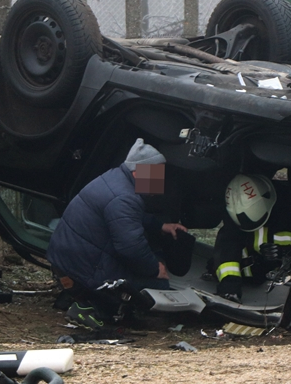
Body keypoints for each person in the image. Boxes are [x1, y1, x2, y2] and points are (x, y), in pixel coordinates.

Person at [47, 138, 188, 328]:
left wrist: (161, 226)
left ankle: (83, 295)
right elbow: (131, 248)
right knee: (160, 287)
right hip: (81, 267)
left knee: (150, 256)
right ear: (138, 171)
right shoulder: (125, 197)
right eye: (156, 175)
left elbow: (127, 218)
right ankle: (96, 306)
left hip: (68, 258)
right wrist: (156, 269)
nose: (160, 181)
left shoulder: (115, 179)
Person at [212, 174, 291, 303]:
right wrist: (229, 286)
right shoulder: (234, 216)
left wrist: (287, 255)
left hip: (290, 289)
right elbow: (227, 251)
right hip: (251, 282)